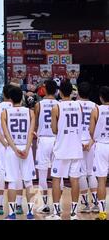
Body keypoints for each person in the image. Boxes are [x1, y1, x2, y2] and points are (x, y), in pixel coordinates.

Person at [46, 80, 83, 220]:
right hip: (76, 148)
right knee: (75, 180)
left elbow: (54, 129)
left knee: (56, 179)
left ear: (60, 92)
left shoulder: (56, 107)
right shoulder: (79, 106)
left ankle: (56, 213)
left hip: (61, 149)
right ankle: (74, 213)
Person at [1, 86, 36, 220]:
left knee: (11, 182)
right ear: (21, 98)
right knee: (28, 182)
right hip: (25, 148)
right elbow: (31, 133)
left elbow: (6, 134)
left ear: (10, 99)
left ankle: (11, 213)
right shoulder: (30, 112)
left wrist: (15, 149)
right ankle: (30, 212)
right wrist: (26, 149)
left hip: (12, 150)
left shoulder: (5, 112)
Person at [34, 79, 59, 214]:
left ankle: (44, 205)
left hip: (43, 139)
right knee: (57, 174)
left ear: (44, 89)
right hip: (56, 140)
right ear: (56, 91)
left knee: (42, 175)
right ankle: (57, 205)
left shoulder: (39, 104)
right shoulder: (60, 105)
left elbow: (36, 123)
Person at [76, 81, 99, 213]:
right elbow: (97, 128)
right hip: (91, 142)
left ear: (78, 92)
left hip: (77, 142)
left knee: (81, 174)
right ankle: (95, 203)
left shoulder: (73, 105)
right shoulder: (95, 106)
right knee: (91, 173)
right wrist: (90, 142)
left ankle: (85, 204)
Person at [0, 84, 14, 215]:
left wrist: (4, 143)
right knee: (17, 175)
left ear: (4, 94)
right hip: (17, 145)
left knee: (1, 173)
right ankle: (18, 206)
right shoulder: (21, 109)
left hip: (3, 143)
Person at [89, 86, 109, 220]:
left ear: (101, 97)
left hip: (102, 145)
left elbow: (91, 131)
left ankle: (102, 214)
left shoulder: (96, 109)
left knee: (101, 181)